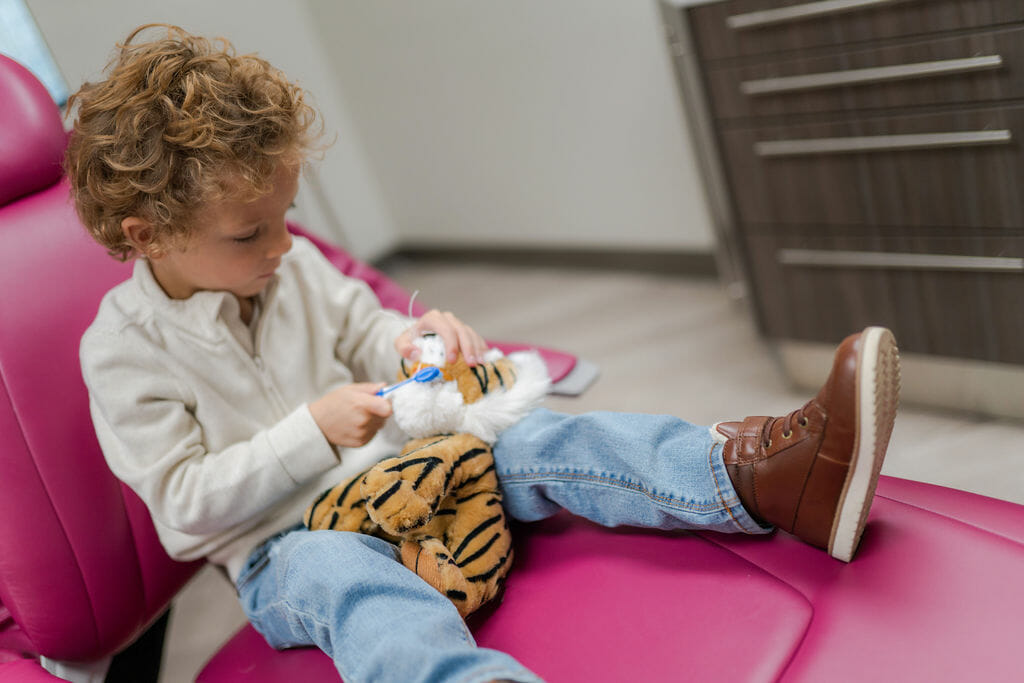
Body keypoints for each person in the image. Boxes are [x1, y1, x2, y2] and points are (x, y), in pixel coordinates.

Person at [69, 24, 900, 683]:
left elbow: (369, 330)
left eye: (289, 215)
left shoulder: (293, 266)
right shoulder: (122, 353)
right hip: (285, 545)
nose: (286, 244)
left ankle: (760, 479)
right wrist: (313, 432)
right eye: (252, 231)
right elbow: (181, 512)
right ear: (149, 235)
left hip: (413, 476)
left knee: (533, 438)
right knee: (339, 576)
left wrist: (416, 340)